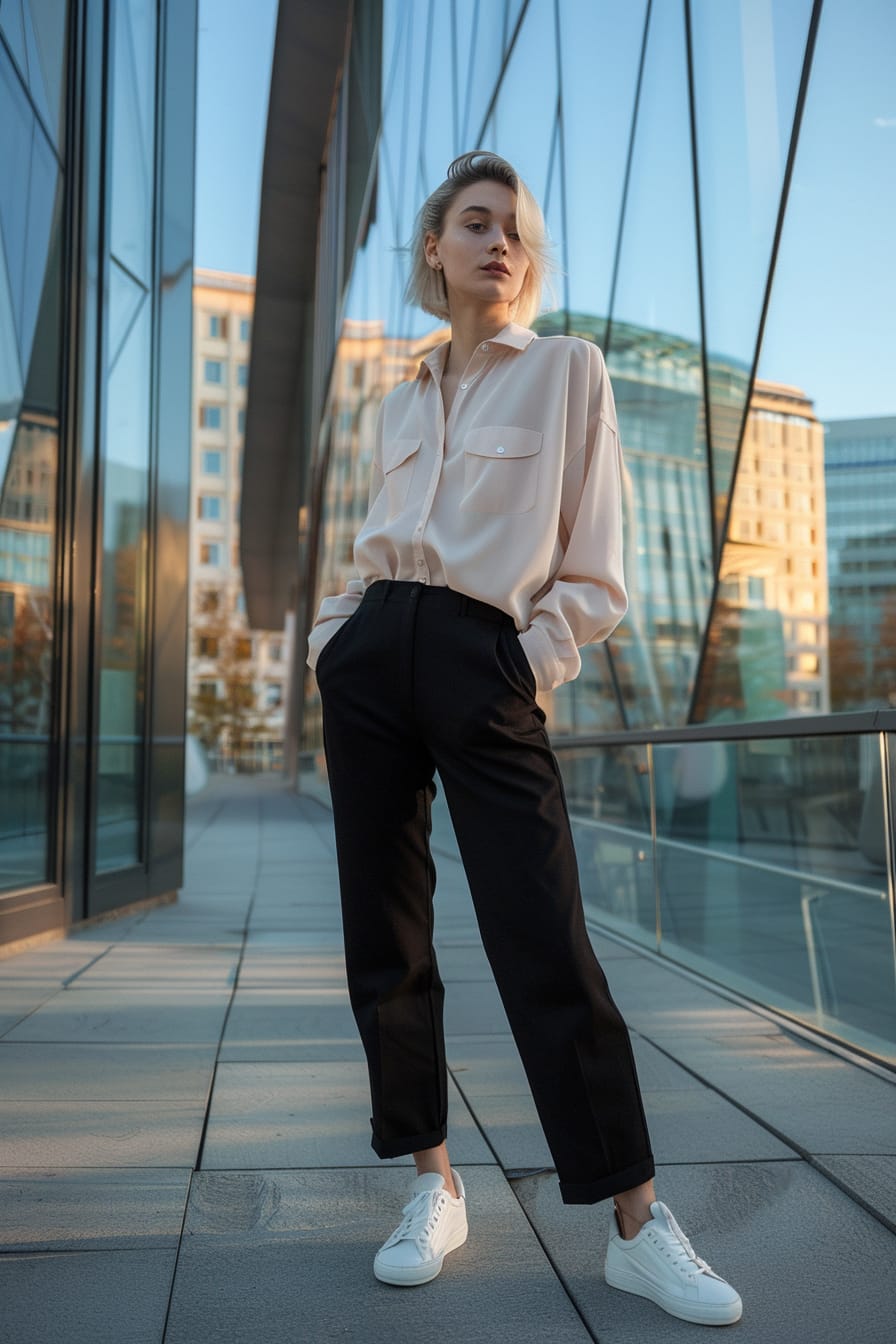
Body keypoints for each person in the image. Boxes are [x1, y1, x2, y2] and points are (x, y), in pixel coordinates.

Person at [307, 150, 742, 1327]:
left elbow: (594, 570)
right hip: (371, 659)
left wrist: (522, 665)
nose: (500, 243)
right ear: (434, 252)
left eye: (517, 232)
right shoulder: (401, 396)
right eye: (476, 223)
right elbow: (373, 541)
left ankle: (637, 1226)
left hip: (483, 658)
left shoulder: (565, 371)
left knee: (543, 936)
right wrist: (329, 640)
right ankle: (433, 1185)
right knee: (383, 939)